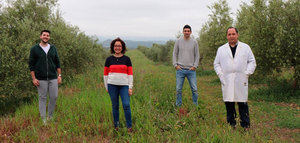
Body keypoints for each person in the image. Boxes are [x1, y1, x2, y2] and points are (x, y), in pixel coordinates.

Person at [213, 27, 256, 130]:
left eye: (233, 34)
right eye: (229, 34)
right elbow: (216, 63)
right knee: (229, 103)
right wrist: (220, 74)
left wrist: (247, 73)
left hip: (241, 79)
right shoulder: (221, 49)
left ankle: (245, 125)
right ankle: (232, 125)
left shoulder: (245, 47)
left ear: (237, 35)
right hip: (227, 79)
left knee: (242, 103)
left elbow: (252, 61)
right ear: (227, 36)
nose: (231, 36)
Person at [29, 30, 62, 124]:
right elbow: (31, 65)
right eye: (44, 35)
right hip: (41, 78)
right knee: (42, 98)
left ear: (49, 37)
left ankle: (50, 117)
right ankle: (43, 119)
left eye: (47, 35)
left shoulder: (53, 48)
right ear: (40, 36)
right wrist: (34, 78)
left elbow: (57, 62)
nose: (46, 37)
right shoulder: (34, 49)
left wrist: (59, 75)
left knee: (54, 96)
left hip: (53, 77)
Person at [103, 38, 133, 132]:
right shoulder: (109, 59)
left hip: (124, 86)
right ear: (113, 47)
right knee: (115, 106)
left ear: (122, 47)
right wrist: (106, 86)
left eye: (119, 46)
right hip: (112, 85)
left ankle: (129, 127)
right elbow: (105, 75)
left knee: (126, 105)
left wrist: (130, 87)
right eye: (115, 46)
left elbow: (130, 74)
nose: (117, 47)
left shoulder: (127, 59)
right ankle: (116, 126)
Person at [172, 24, 200, 107]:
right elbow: (174, 53)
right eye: (185, 31)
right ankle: (178, 106)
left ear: (191, 32)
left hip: (191, 70)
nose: (186, 32)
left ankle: (195, 105)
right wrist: (175, 65)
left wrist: (195, 66)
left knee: (194, 89)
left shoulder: (194, 42)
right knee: (178, 89)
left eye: (188, 31)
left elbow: (197, 55)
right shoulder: (178, 41)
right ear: (183, 32)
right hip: (180, 69)